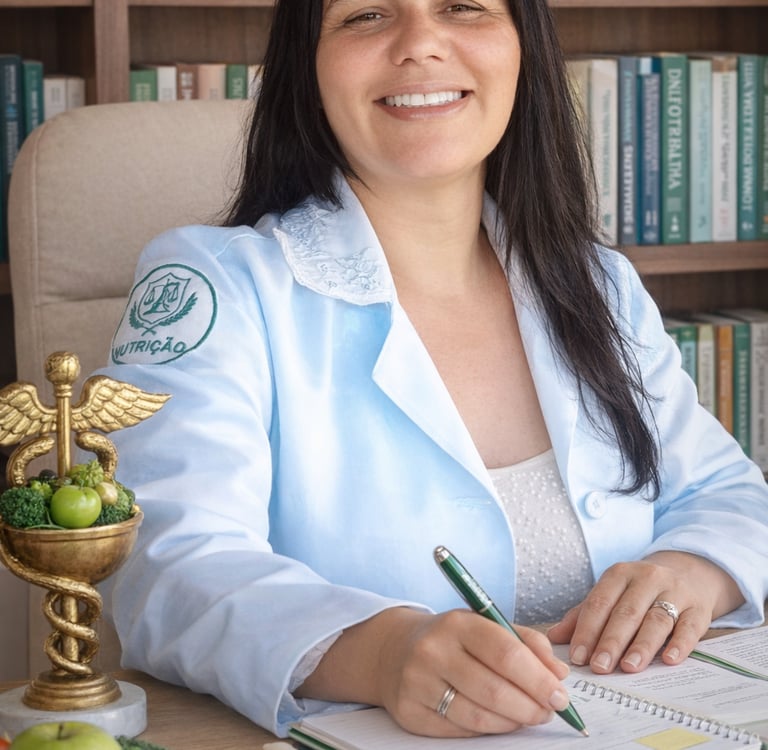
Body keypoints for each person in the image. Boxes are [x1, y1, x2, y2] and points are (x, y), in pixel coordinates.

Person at [99, 0, 768, 740]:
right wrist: (382, 652)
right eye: (366, 15)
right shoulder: (213, 284)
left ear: (524, 49)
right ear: (307, 66)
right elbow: (163, 565)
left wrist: (692, 567)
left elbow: (726, 490)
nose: (421, 44)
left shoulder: (595, 280)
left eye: (462, 7)